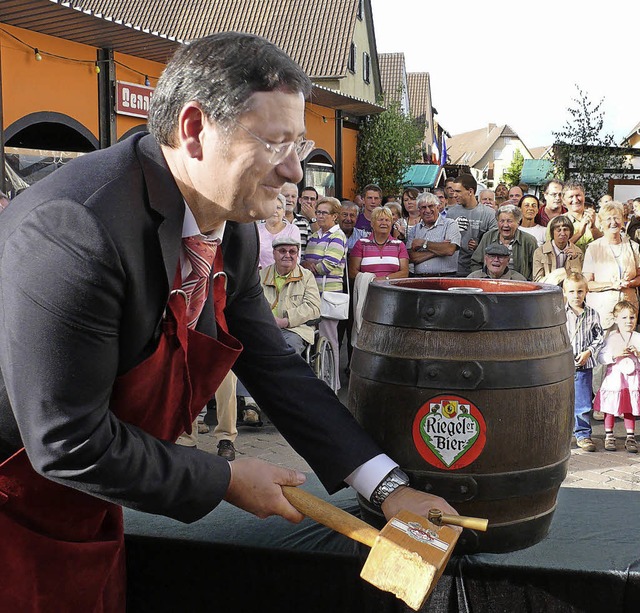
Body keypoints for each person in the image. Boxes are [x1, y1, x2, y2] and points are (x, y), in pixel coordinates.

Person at [0, 32, 458, 610]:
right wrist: (224, 478)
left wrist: (385, 486)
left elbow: (272, 364)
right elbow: (66, 440)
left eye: (301, 144)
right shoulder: (76, 231)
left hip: (83, 510)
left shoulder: (231, 228)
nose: (295, 171)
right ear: (194, 129)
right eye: (275, 143)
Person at [302, 197, 348, 390]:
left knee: (330, 338)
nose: (319, 215)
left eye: (323, 212)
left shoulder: (338, 236)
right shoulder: (314, 236)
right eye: (318, 211)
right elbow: (304, 260)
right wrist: (309, 266)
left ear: (334, 216)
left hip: (329, 294)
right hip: (313, 293)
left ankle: (333, 384)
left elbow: (329, 264)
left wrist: (311, 267)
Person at [583, 202, 640, 331]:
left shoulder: (633, 246)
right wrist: (611, 285)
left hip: (628, 312)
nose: (613, 222)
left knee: (628, 348)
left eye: (617, 218)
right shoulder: (593, 248)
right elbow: (587, 284)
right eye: (608, 219)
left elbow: (639, 276)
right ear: (601, 223)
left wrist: (630, 283)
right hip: (602, 311)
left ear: (623, 220)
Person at [563, 273, 605, 452]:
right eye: (571, 291)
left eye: (580, 291)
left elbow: (600, 337)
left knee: (582, 402)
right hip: (562, 367)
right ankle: (562, 436)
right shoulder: (558, 314)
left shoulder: (592, 314)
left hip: (582, 365)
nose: (576, 295)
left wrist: (589, 352)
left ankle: (583, 434)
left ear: (586, 292)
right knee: (561, 401)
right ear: (564, 292)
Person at [260, 236, 321, 356]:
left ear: (297, 254)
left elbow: (314, 308)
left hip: (295, 330)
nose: (287, 255)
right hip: (264, 329)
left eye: (292, 251)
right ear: (274, 253)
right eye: (282, 251)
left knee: (287, 351)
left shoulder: (307, 276)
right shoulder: (261, 276)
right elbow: (252, 305)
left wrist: (286, 321)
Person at [594, 301, 640, 453]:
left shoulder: (638, 338)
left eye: (632, 318)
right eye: (624, 318)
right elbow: (602, 357)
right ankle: (609, 435)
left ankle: (630, 436)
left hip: (632, 381)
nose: (629, 321)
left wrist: (638, 354)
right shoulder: (612, 338)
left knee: (629, 406)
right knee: (610, 407)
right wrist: (615, 355)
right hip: (615, 380)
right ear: (616, 319)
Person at [446, 173, 497, 276]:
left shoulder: (489, 214)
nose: (454, 195)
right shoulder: (451, 213)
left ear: (470, 191)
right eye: (453, 191)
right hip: (455, 270)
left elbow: (495, 244)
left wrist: (480, 246)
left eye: (458, 191)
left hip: (480, 270)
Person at [470, 204, 538, 280]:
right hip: (489, 281)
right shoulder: (488, 236)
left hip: (518, 283)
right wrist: (482, 278)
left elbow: (535, 267)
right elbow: (476, 262)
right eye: (502, 221)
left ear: (518, 222)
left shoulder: (529, 241)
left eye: (509, 221)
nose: (505, 225)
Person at [407, 192, 461, 277]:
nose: (427, 210)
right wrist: (439, 250)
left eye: (431, 206)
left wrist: (423, 244)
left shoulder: (450, 224)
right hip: (420, 279)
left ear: (438, 207)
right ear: (419, 210)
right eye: (423, 207)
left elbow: (449, 250)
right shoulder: (414, 230)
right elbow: (411, 257)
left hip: (445, 277)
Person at [349, 206, 409, 281]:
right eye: (380, 220)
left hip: (393, 290)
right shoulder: (361, 244)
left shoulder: (399, 245)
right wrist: (370, 281)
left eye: (387, 220)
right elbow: (352, 272)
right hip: (368, 289)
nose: (384, 223)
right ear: (372, 224)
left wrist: (383, 279)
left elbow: (404, 273)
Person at [532, 215, 584, 284]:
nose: (562, 233)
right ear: (552, 232)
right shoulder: (540, 252)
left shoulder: (578, 252)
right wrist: (560, 274)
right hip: (548, 289)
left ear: (570, 232)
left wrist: (574, 259)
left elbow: (579, 279)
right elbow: (537, 280)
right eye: (558, 230)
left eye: (565, 230)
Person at [258, 194, 301, 268]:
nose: (275, 211)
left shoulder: (292, 230)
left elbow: (296, 258)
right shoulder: (257, 230)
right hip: (261, 275)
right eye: (271, 207)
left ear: (284, 212)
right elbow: (251, 256)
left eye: (278, 208)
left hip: (286, 275)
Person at [564, 182, 603, 252]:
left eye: (578, 195)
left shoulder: (599, 218)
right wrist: (579, 233)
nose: (575, 200)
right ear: (563, 200)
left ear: (584, 196)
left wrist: (593, 228)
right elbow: (557, 250)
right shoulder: (557, 222)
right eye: (571, 197)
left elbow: (607, 245)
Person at [281, 182, 311, 254]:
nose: (290, 199)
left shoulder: (304, 222)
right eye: (286, 196)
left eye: (293, 196)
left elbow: (309, 249)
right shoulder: (269, 221)